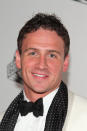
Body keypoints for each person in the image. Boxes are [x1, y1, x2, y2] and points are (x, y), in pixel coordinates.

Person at [0, 13, 87, 131]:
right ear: (19, 59)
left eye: (52, 55)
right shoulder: (3, 120)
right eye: (33, 53)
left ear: (65, 63)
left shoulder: (84, 116)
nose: (41, 65)